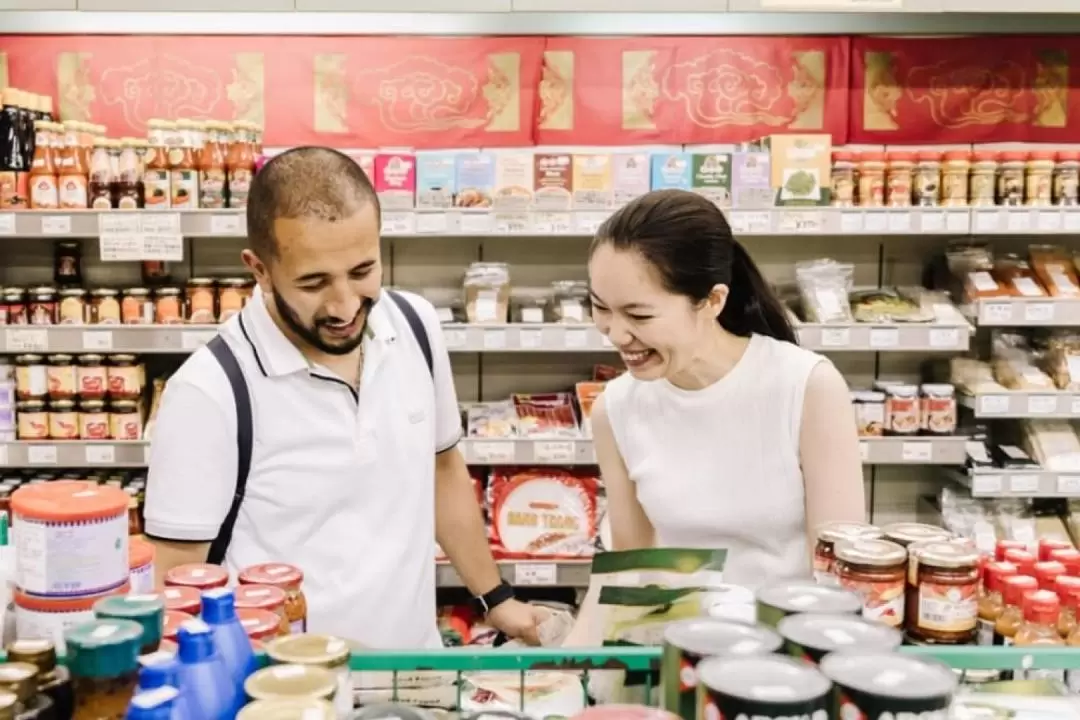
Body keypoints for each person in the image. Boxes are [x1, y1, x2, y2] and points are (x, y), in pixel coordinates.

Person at [143, 146, 543, 648]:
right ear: (259, 269)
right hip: (283, 689)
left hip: (413, 670)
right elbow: (177, 582)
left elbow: (441, 468)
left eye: (362, 272)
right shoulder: (209, 392)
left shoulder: (415, 327)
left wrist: (495, 597)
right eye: (313, 282)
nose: (345, 305)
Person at [586, 189, 866, 588]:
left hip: (789, 637)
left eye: (638, 314)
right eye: (600, 307)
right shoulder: (615, 410)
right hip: (677, 640)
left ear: (713, 300)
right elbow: (631, 570)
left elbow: (839, 572)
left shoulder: (806, 387)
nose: (615, 333)